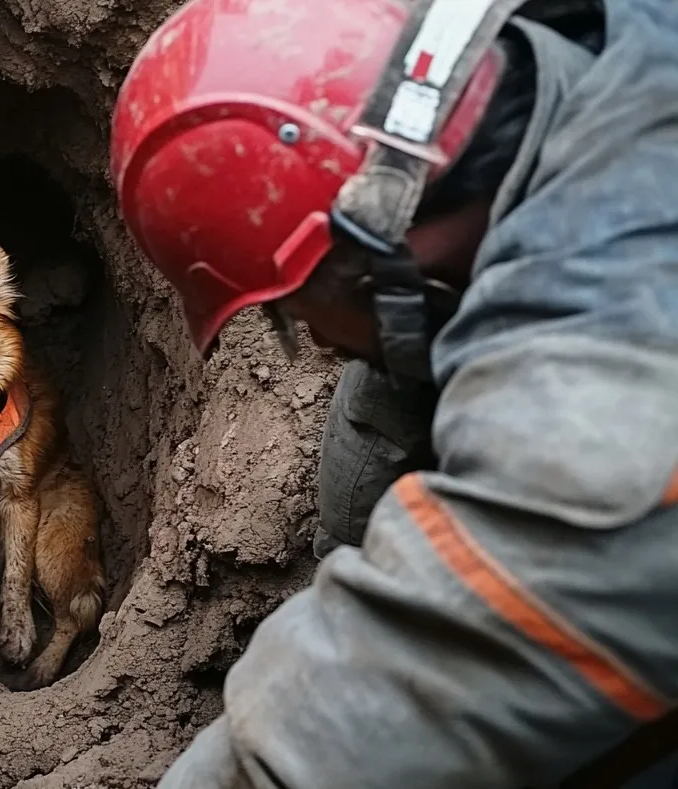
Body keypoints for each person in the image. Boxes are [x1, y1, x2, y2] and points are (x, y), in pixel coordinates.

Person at [111, 0, 678, 786]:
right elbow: (378, 404)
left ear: (371, 250)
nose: (314, 341)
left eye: (288, 309)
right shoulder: (592, 57)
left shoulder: (593, 426)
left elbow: (312, 751)